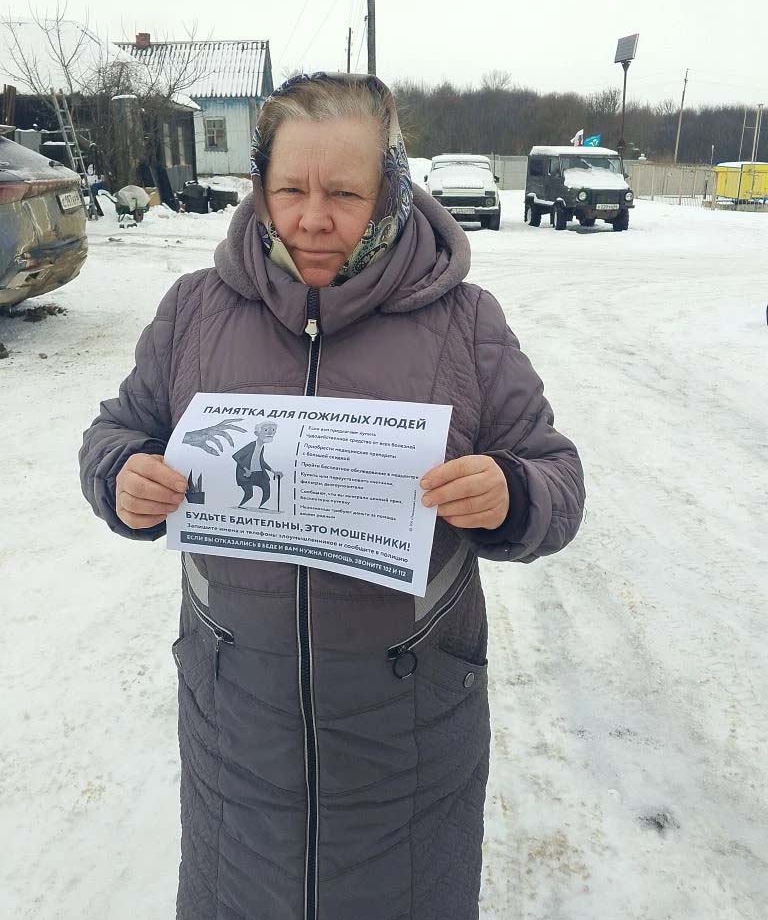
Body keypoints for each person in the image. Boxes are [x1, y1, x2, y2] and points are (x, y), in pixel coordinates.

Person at [79, 73, 585, 920]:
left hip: (408, 733)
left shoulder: (465, 324)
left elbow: (557, 477)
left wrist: (513, 493)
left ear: (391, 191)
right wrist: (122, 475)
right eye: (291, 190)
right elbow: (116, 432)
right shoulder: (196, 311)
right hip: (238, 725)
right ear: (260, 188)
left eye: (345, 194)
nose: (313, 219)